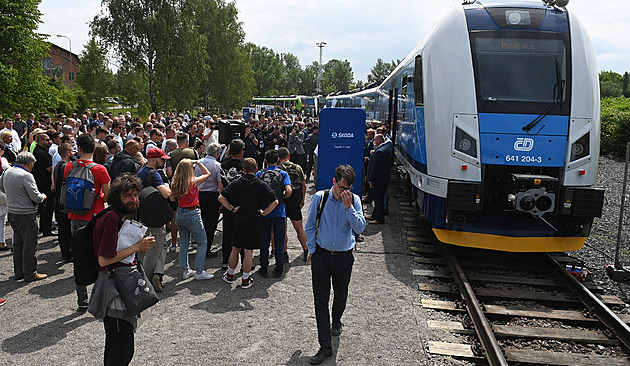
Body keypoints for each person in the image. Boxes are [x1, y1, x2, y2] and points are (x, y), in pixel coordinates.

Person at [87, 173, 155, 366]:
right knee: (122, 352)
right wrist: (138, 247)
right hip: (114, 289)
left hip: (117, 284)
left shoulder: (116, 216)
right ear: (118, 197)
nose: (133, 199)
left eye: (135, 195)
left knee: (115, 347)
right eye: (127, 195)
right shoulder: (111, 218)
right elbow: (103, 260)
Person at [304, 165, 366, 365]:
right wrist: (312, 250)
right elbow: (310, 225)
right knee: (320, 301)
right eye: (342, 187)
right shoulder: (320, 198)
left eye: (348, 188)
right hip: (321, 255)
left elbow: (360, 228)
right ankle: (325, 346)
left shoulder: (354, 201)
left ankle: (336, 319)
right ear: (334, 182)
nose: (345, 192)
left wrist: (348, 208)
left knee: (340, 294)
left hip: (343, 256)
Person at [64, 133, 111, 313]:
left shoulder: (69, 166)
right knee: (100, 259)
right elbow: (108, 195)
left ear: (80, 148)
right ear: (95, 149)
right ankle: (98, 299)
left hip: (75, 217)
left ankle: (82, 302)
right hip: (95, 217)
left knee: (80, 259)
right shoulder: (100, 169)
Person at [218, 158, 278, 288]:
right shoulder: (262, 185)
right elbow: (275, 201)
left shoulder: (237, 182)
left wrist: (232, 209)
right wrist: (265, 212)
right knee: (248, 251)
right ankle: (246, 279)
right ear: (256, 169)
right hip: (254, 221)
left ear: (243, 169)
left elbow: (221, 197)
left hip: (239, 220)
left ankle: (230, 274)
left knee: (235, 248)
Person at [0, 152, 48, 282]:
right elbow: (36, 197)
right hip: (26, 213)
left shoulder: (7, 172)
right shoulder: (26, 175)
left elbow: (2, 188)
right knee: (30, 245)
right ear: (29, 163)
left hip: (12, 212)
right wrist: (43, 196)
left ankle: (19, 272)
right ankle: (30, 273)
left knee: (18, 244)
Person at [170, 159, 214, 280]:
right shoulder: (192, 182)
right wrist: (198, 163)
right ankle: (199, 271)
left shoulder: (174, 183)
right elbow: (208, 174)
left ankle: (185, 270)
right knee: (202, 242)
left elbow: (172, 198)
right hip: (192, 212)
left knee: (184, 243)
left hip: (180, 212)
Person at [137, 148, 172, 292]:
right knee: (158, 247)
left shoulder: (140, 172)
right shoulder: (154, 174)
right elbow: (166, 194)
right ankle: (146, 279)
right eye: (161, 159)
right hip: (155, 216)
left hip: (142, 214)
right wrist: (167, 186)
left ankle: (157, 273)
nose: (164, 162)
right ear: (153, 160)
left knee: (145, 248)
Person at [256, 150, 292, 277]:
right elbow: (289, 190)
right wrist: (282, 197)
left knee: (264, 240)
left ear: (265, 160)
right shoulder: (283, 174)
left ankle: (264, 267)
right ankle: (279, 267)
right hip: (279, 212)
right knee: (279, 240)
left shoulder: (260, 173)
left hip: (264, 212)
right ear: (277, 160)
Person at [277, 147, 309, 261]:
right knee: (299, 228)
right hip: (295, 203)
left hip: (282, 203)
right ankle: (306, 250)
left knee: (283, 230)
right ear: (289, 156)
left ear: (278, 158)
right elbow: (303, 185)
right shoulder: (297, 167)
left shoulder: (277, 169)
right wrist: (302, 199)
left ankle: (284, 254)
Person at [220, 139, 245, 269]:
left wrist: (222, 198)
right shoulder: (244, 165)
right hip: (241, 202)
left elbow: (220, 184)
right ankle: (244, 263)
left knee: (227, 233)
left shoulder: (223, 163)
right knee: (242, 233)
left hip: (226, 200)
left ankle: (225, 260)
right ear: (241, 151)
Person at [196, 142, 222, 258]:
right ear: (217, 154)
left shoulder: (198, 163)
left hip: (200, 194)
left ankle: (202, 246)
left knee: (203, 220)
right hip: (212, 195)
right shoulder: (217, 165)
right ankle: (206, 249)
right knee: (211, 223)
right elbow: (220, 184)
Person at [53, 143, 74, 262]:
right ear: (68, 153)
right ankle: (68, 253)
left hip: (59, 201)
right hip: (64, 203)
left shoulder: (58, 165)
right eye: (71, 151)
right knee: (66, 229)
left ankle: (65, 252)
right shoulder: (65, 166)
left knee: (62, 229)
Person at [365, 134, 393, 224]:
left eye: (375, 140)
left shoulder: (380, 152)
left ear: (379, 141)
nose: (374, 142)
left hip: (379, 180)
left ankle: (379, 218)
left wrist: (371, 180)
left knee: (378, 199)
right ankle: (374, 215)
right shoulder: (385, 149)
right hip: (383, 179)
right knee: (377, 198)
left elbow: (375, 168)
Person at [32, 133, 55, 236]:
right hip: (44, 183)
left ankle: (45, 226)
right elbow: (49, 168)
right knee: (47, 206)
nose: (49, 141)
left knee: (46, 206)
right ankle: (46, 229)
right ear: (40, 141)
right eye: (46, 140)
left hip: (45, 181)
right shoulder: (40, 152)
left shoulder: (43, 151)